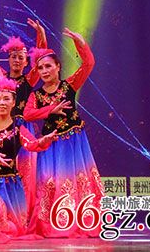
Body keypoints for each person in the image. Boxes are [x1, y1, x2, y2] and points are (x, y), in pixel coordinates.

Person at [23, 28, 103, 237]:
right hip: (51, 145)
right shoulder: (36, 95)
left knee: (79, 180)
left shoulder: (69, 85)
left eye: (48, 66)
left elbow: (88, 64)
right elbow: (28, 114)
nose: (44, 71)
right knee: (51, 182)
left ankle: (83, 221)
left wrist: (80, 43)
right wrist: (51, 110)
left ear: (58, 67)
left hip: (74, 143)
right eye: (40, 68)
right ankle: (54, 224)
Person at [0, 77, 55, 237]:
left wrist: (44, 140)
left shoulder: (18, 129)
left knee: (13, 229)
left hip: (8, 184)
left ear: (13, 102)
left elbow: (32, 144)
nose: (1, 103)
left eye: (6, 99)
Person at [0, 18, 47, 217]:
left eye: (20, 58)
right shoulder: (1, 77)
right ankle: (5, 212)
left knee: (26, 172)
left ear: (26, 62)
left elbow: (41, 56)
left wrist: (40, 34)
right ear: (8, 60)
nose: (16, 60)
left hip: (24, 128)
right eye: (13, 57)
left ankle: (25, 214)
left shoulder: (29, 80)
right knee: (3, 167)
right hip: (4, 128)